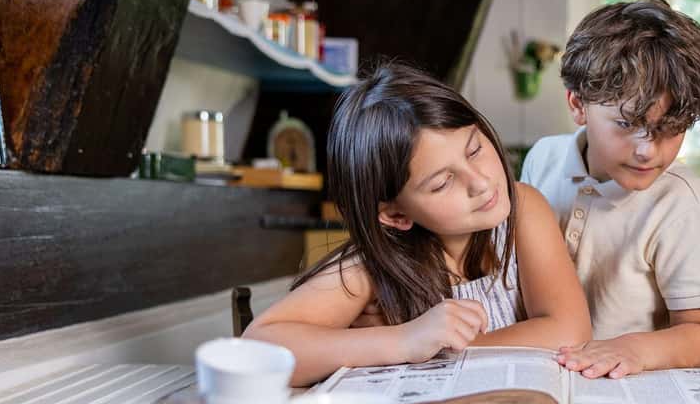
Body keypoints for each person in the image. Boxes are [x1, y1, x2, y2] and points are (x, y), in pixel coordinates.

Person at [244, 61, 591, 386]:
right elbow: (256, 354)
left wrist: (443, 350)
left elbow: (569, 330)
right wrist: (404, 340)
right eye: (442, 183)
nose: (481, 182)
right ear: (396, 214)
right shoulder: (374, 266)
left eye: (474, 150)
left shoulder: (523, 209)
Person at [520, 0, 700, 379]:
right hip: (538, 371)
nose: (648, 150)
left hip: (630, 385)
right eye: (627, 124)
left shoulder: (684, 202)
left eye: (670, 128)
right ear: (578, 105)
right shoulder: (542, 159)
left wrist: (633, 349)